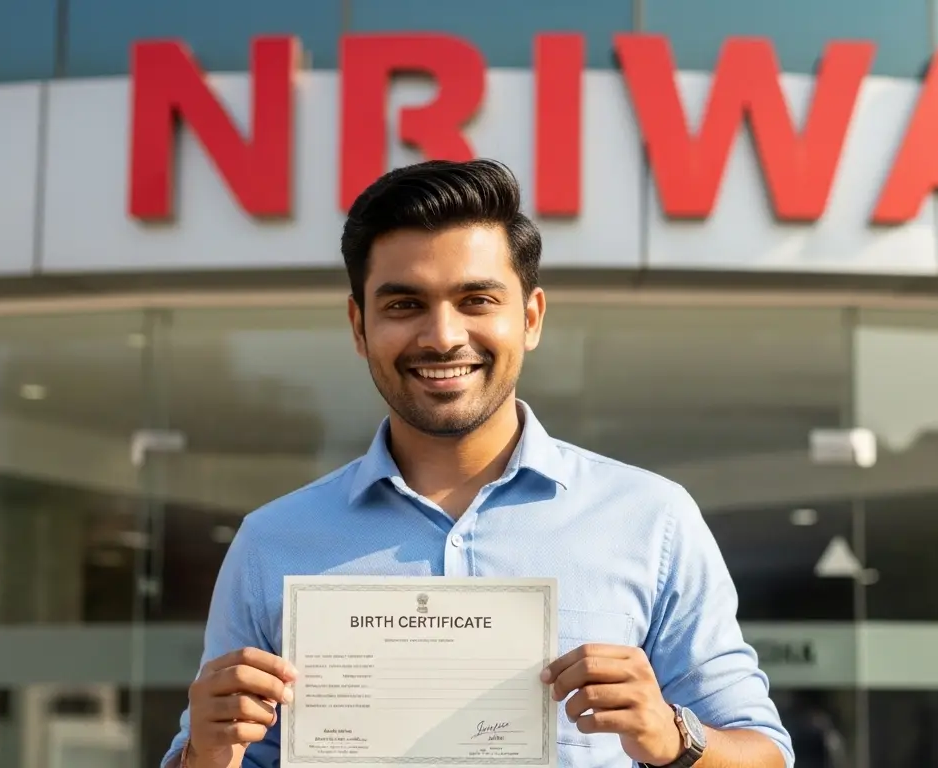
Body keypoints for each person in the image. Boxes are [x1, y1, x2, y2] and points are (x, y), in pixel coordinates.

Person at [160, 158, 794, 768]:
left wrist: (671, 735)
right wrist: (207, 756)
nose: (442, 335)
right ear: (359, 327)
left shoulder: (651, 521)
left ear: (531, 316)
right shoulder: (272, 543)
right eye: (404, 304)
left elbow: (765, 754)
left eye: (477, 300)